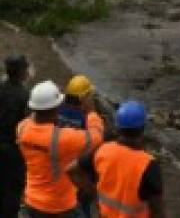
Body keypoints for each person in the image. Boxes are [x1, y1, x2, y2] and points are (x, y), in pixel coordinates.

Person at [18, 79, 103, 218]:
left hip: (32, 200)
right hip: (60, 206)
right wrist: (91, 112)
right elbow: (97, 136)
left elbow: (34, 117)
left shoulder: (22, 128)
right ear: (55, 109)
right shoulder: (62, 139)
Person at [68, 99, 167, 218]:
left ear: (118, 128)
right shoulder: (149, 164)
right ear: (143, 128)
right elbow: (157, 210)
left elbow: (71, 169)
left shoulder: (103, 150)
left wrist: (93, 193)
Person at [58, 76, 102, 218]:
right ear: (84, 97)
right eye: (90, 95)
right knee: (83, 205)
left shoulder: (57, 109)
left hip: (59, 166)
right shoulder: (86, 116)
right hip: (79, 169)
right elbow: (95, 140)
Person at [0, 54, 30, 218]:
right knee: (13, 189)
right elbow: (27, 125)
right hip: (13, 149)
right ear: (21, 72)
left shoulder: (2, 87)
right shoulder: (24, 95)